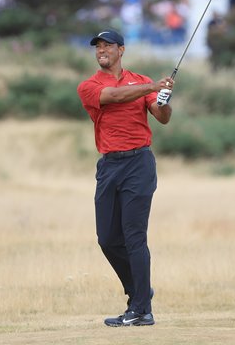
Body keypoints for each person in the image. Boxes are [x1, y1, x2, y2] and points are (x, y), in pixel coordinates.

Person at [77, 29, 173, 327]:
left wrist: (164, 97)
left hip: (139, 164)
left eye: (107, 45)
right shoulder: (89, 86)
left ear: (121, 50)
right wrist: (151, 87)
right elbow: (114, 96)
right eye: (98, 47)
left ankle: (142, 309)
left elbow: (163, 116)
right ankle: (140, 292)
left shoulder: (141, 82)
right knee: (106, 238)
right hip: (109, 166)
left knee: (134, 236)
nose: (101, 50)